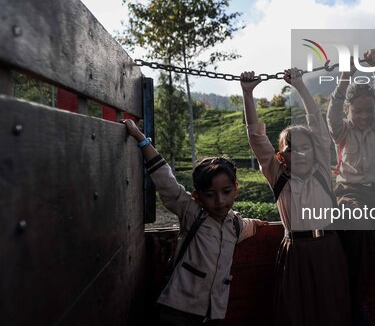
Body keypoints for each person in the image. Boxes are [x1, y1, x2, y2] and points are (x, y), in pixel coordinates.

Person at [122, 119, 265, 326]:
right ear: (197, 196)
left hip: (213, 313)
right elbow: (167, 182)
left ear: (236, 188)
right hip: (177, 309)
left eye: (226, 192)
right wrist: (142, 140)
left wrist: (260, 224)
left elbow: (250, 225)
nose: (220, 201)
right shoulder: (192, 213)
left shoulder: (235, 224)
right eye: (210, 194)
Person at [241, 68, 351, 326]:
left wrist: (300, 86)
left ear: (316, 151)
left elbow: (317, 122)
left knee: (331, 309)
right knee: (295, 311)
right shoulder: (278, 177)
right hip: (295, 253)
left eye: (306, 147)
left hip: (327, 249)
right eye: (292, 149)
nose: (301, 153)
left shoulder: (321, 171)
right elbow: (257, 139)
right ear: (281, 157)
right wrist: (247, 94)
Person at [326, 49, 375, 325]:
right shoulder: (341, 131)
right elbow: (332, 109)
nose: (364, 116)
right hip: (350, 193)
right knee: (360, 227)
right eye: (358, 111)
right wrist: (346, 73)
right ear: (348, 111)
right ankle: (358, 302)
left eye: (369, 110)